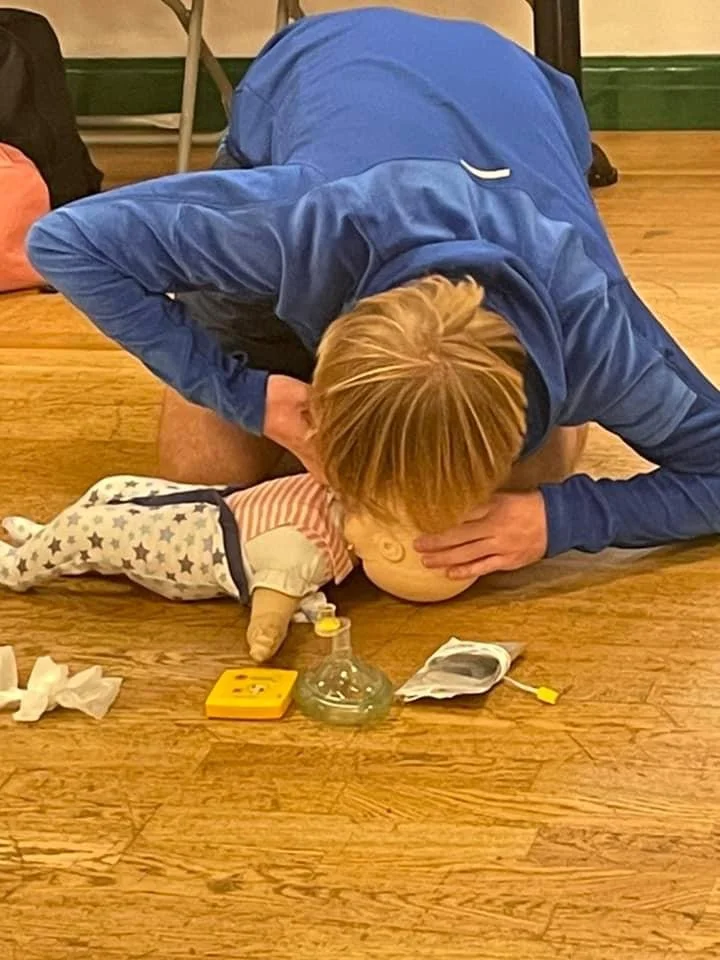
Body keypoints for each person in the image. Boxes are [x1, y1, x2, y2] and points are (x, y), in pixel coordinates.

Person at [26, 7, 720, 584]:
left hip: (508, 81)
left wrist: (558, 521)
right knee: (204, 473)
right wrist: (247, 395)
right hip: (323, 62)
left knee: (516, 494)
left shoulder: (597, 329)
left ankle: (541, 444)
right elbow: (64, 244)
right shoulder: (294, 226)